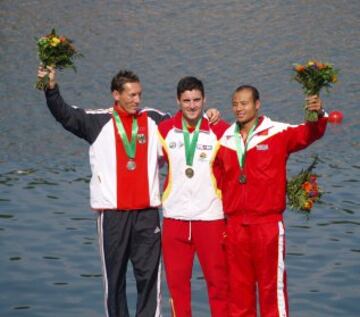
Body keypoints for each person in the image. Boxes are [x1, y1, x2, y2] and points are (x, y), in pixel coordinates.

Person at [37, 66, 220, 317]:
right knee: (115, 281)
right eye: (131, 95)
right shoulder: (97, 121)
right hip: (113, 215)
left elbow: (187, 119)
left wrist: (209, 115)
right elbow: (65, 115)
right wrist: (50, 88)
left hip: (147, 214)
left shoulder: (154, 119)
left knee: (149, 279)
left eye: (139, 95)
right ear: (116, 94)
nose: (137, 100)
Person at [214, 85, 327, 317]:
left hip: (267, 225)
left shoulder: (277, 132)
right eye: (235, 104)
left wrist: (318, 114)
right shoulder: (225, 139)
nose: (239, 109)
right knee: (239, 293)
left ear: (257, 105)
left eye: (244, 103)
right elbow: (217, 177)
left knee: (271, 291)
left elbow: (308, 133)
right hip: (235, 226)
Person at [157, 76, 230, 317]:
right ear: (178, 101)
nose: (192, 106)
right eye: (186, 100)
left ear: (205, 99)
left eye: (197, 100)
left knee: (219, 286)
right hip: (175, 220)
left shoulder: (220, 130)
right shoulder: (164, 130)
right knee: (177, 289)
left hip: (211, 218)